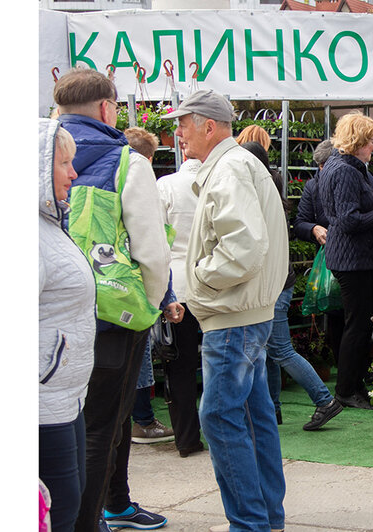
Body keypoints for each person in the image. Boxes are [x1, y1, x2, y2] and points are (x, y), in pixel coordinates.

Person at [54, 68, 172, 532]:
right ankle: (88, 520)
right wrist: (153, 303)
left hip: (50, 315)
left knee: (60, 423)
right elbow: (151, 249)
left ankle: (103, 508)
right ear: (107, 108)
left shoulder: (39, 156)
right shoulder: (128, 162)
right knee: (104, 423)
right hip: (111, 316)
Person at [166, 89, 288, 532]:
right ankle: (264, 520)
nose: (177, 132)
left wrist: (197, 278)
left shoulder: (230, 168)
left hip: (234, 318)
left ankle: (250, 524)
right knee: (253, 420)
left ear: (208, 126)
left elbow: (243, 249)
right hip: (245, 314)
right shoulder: (235, 165)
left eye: (183, 123)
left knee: (218, 417)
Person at [240, 141, 344, 431]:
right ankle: (272, 410)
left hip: (272, 284)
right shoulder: (269, 190)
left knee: (280, 350)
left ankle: (323, 399)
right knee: (269, 351)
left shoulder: (258, 195)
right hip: (278, 281)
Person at [39, 119, 96, 532]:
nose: (74, 174)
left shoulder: (48, 225)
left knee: (68, 503)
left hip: (65, 396)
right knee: (57, 510)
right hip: (42, 402)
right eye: (64, 163)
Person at [318, 112, 373, 410]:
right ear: (358, 140)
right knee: (356, 326)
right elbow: (348, 221)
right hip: (352, 259)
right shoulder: (345, 170)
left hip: (354, 257)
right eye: (372, 142)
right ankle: (347, 389)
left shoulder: (350, 166)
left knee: (359, 323)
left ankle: (354, 383)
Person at [122, 126, 176, 446]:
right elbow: (153, 244)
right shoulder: (141, 179)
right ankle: (142, 420)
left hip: (103, 281)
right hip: (135, 282)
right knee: (138, 353)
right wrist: (162, 297)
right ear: (150, 157)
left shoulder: (101, 171)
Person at [156, 145, 207, 458]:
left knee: (180, 365)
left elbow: (156, 239)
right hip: (214, 282)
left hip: (178, 285)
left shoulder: (165, 186)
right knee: (222, 360)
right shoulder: (219, 183)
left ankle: (187, 438)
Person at [293, 139, 344, 368]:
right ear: (322, 166)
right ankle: (342, 366)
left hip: (353, 259)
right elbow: (300, 223)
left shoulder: (350, 179)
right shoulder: (313, 187)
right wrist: (313, 229)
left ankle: (354, 369)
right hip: (328, 262)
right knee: (334, 313)